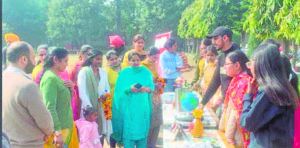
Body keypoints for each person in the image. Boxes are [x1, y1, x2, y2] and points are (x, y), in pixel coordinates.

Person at [240, 43, 298, 148]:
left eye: (251, 64)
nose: (250, 68)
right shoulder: (284, 89)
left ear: (260, 65)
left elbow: (247, 122)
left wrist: (248, 96)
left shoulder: (268, 93)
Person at [2, 41, 54, 148]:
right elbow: (45, 121)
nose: (35, 62)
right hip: (28, 143)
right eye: (33, 57)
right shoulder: (27, 86)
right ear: (24, 59)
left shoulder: (4, 78)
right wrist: (48, 132)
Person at [112, 51, 154, 148]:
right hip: (129, 109)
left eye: (137, 60)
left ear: (140, 60)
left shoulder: (146, 72)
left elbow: (151, 87)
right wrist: (129, 89)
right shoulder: (123, 73)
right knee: (129, 133)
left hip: (142, 108)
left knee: (142, 134)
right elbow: (118, 92)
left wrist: (145, 89)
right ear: (128, 61)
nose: (135, 62)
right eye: (133, 60)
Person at [39, 47, 79, 148]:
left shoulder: (56, 77)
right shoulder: (50, 79)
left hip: (66, 127)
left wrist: (70, 89)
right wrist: (58, 132)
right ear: (56, 59)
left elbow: (63, 102)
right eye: (65, 61)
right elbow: (50, 108)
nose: (67, 64)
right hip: (60, 131)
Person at [77, 49, 112, 145]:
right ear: (91, 59)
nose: (99, 61)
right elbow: (82, 92)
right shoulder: (84, 72)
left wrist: (105, 94)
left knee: (100, 132)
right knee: (88, 136)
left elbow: (106, 88)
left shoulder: (103, 72)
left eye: (101, 59)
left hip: (101, 107)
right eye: (97, 59)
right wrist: (91, 109)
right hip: (88, 109)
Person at [219, 50, 252, 147]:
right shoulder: (237, 79)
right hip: (231, 129)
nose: (224, 67)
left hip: (236, 135)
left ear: (237, 65)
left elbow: (236, 112)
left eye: (227, 64)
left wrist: (228, 136)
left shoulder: (244, 82)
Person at [201, 26, 240, 107]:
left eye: (216, 39)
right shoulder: (222, 58)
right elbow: (215, 83)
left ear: (225, 38)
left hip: (236, 105)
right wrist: (202, 103)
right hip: (225, 102)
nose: (213, 42)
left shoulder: (238, 56)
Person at [141, 47, 164, 148]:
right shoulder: (142, 66)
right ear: (148, 55)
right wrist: (153, 85)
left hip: (156, 96)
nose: (155, 59)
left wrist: (159, 83)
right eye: (154, 57)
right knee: (149, 122)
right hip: (146, 98)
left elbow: (158, 77)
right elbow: (141, 83)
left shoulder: (155, 65)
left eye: (157, 58)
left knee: (157, 121)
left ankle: (153, 144)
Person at [69, 44, 93, 120]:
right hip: (78, 93)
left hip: (91, 92)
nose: (89, 56)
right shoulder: (77, 66)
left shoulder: (93, 65)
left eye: (91, 54)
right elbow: (71, 79)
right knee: (80, 113)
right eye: (87, 54)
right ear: (81, 54)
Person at [104, 50, 121, 148]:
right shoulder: (105, 71)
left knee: (120, 125)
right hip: (110, 104)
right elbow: (104, 88)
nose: (114, 61)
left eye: (115, 58)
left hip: (123, 103)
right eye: (111, 59)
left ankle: (120, 144)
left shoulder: (123, 69)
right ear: (107, 60)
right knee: (112, 126)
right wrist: (107, 94)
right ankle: (112, 145)